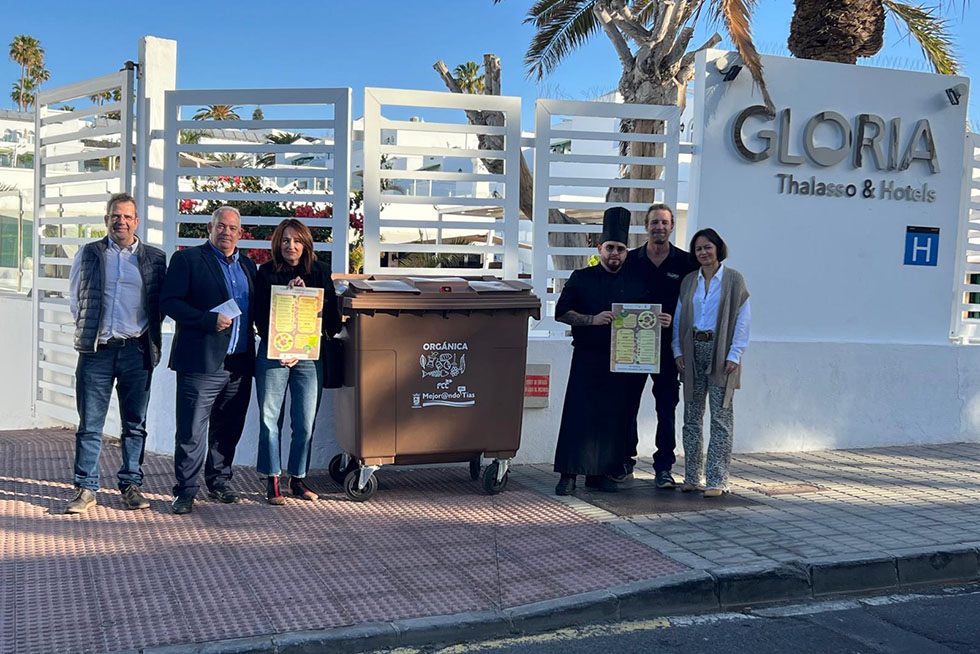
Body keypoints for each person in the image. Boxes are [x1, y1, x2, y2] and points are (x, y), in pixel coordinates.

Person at [65, 192, 167, 514]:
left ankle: (131, 485)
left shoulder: (155, 258)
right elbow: (75, 299)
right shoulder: (89, 253)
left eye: (126, 217)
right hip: (97, 352)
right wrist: (90, 331)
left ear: (136, 221)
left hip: (137, 351)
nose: (120, 222)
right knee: (90, 424)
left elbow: (160, 304)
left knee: (134, 424)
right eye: (115, 216)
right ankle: (86, 488)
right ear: (106, 220)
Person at [161, 206, 257, 514]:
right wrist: (206, 319)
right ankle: (185, 490)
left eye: (232, 228)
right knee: (191, 430)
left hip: (239, 363)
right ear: (209, 228)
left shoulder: (248, 266)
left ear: (240, 233)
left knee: (228, 427)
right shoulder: (187, 260)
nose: (226, 232)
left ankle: (219, 481)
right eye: (221, 226)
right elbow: (169, 302)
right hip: (200, 362)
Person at [552, 207, 651, 495]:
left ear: (626, 251)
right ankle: (568, 475)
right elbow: (561, 313)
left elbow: (645, 317)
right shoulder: (581, 277)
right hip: (587, 357)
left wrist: (657, 320)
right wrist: (592, 320)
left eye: (620, 249)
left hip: (620, 361)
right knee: (578, 415)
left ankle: (600, 474)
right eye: (610, 248)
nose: (614, 253)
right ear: (600, 249)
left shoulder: (635, 282)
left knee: (612, 419)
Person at [253, 219, 342, 504]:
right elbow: (258, 317)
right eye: (285, 240)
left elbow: (332, 323)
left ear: (306, 244)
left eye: (296, 240)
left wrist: (313, 298)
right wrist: (282, 347)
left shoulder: (320, 272)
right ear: (277, 244)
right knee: (270, 419)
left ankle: (298, 478)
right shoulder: (265, 272)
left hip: (308, 356)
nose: (290, 246)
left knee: (304, 421)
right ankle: (272, 478)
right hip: (274, 354)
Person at [622, 204, 696, 488]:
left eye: (664, 222)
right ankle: (625, 461)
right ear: (646, 226)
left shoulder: (685, 262)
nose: (659, 227)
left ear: (672, 226)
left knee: (666, 409)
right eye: (654, 222)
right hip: (633, 347)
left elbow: (694, 303)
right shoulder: (630, 259)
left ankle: (664, 467)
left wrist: (675, 320)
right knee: (627, 405)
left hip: (668, 349)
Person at [672, 228, 750, 497]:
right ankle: (692, 477)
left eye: (708, 247)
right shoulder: (689, 281)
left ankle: (717, 480)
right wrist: (677, 350)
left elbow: (743, 319)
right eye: (698, 249)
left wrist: (734, 354)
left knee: (721, 417)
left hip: (721, 351)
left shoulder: (733, 279)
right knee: (691, 417)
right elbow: (679, 316)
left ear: (718, 249)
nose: (703, 252)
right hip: (692, 349)